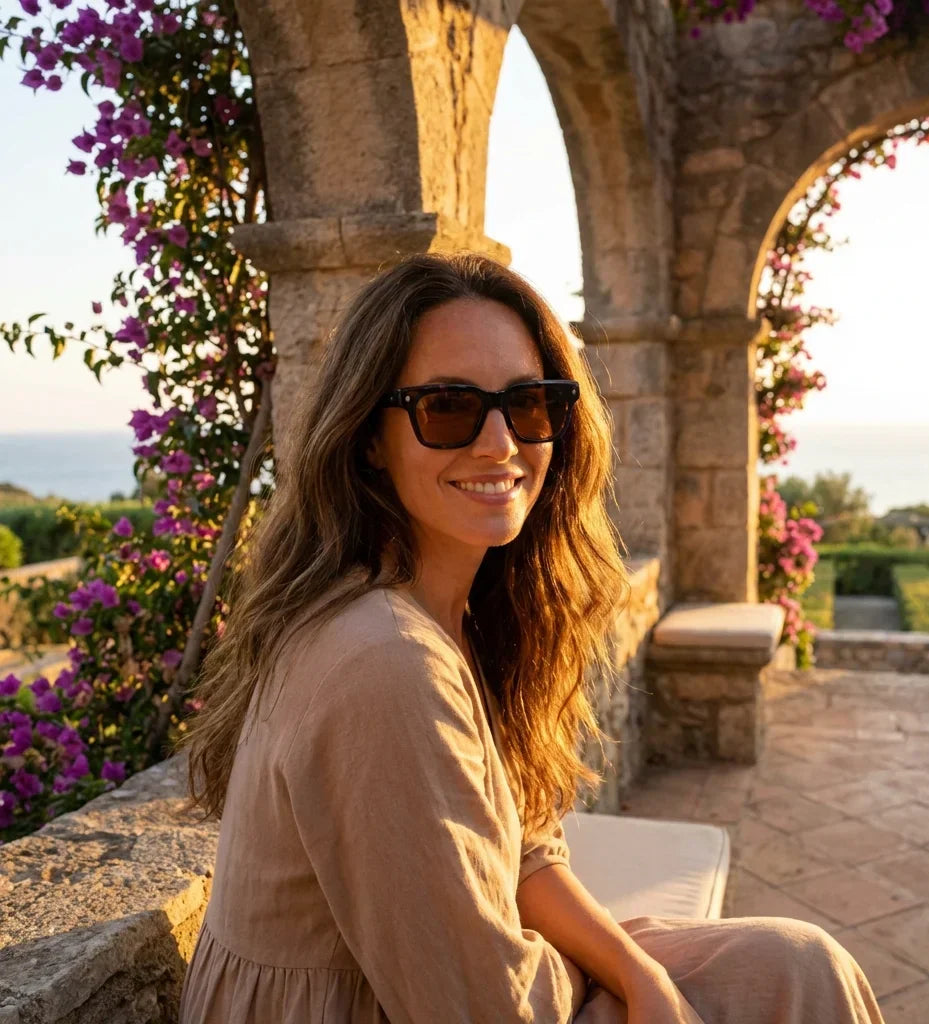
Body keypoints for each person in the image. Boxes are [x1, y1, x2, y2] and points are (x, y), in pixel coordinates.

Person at [176, 251, 885, 1023]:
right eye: (447, 408)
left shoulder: (449, 611)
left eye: (530, 404)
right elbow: (485, 1007)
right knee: (796, 985)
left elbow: (523, 853)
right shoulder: (386, 662)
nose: (498, 443)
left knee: (797, 964)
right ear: (370, 436)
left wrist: (636, 971)